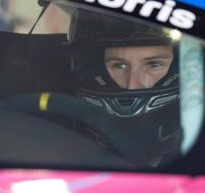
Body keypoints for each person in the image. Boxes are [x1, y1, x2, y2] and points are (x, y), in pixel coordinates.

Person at [68, 9, 182, 167]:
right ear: (99, 69)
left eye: (153, 64)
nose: (132, 85)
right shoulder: (68, 141)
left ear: (178, 69)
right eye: (119, 65)